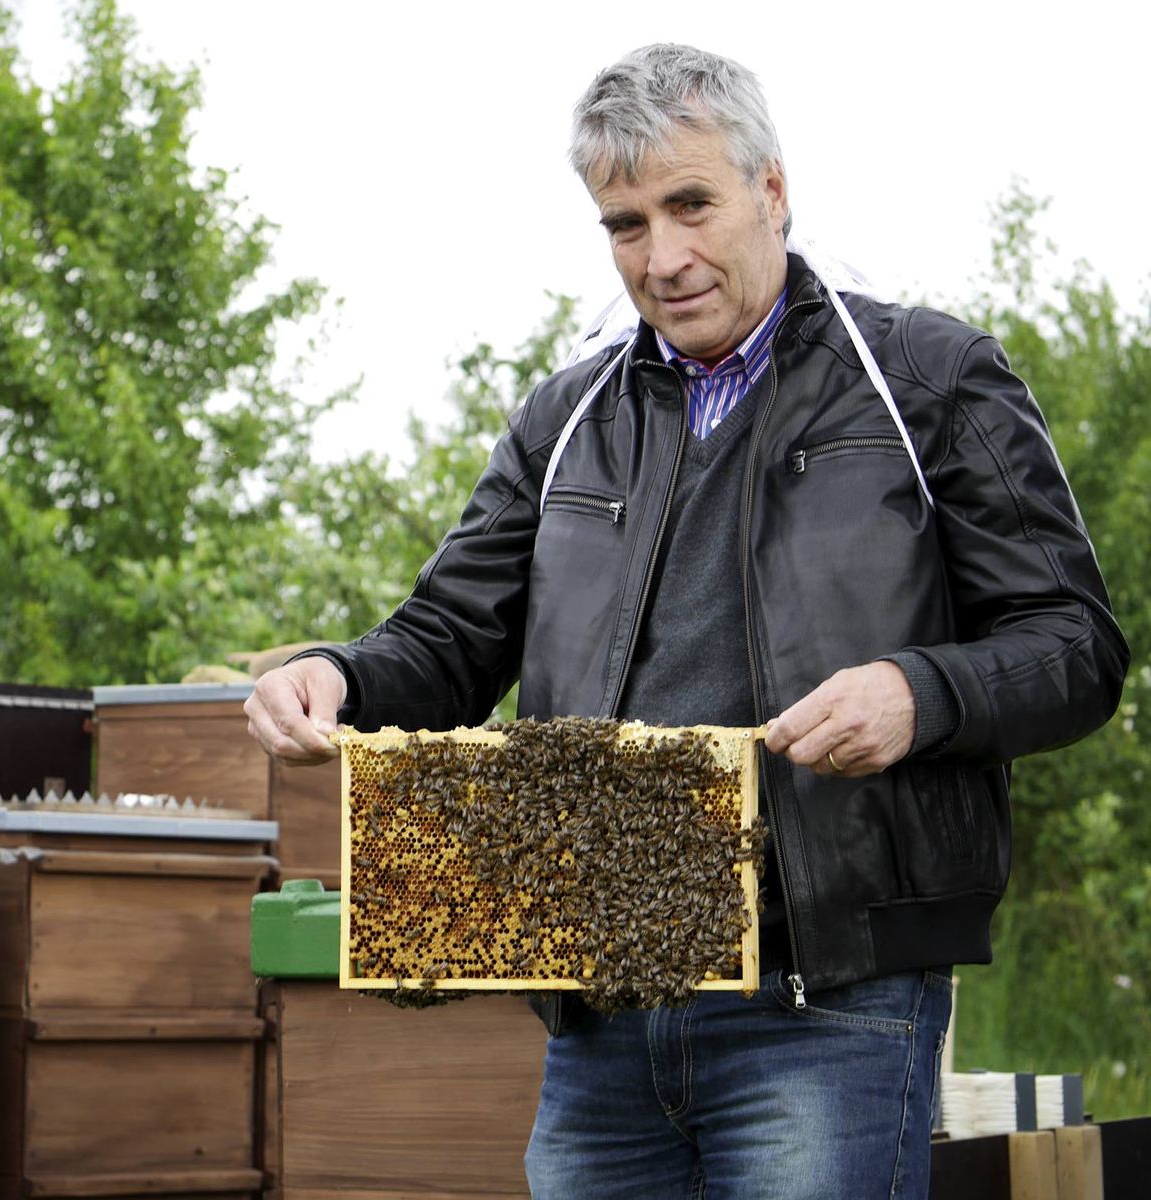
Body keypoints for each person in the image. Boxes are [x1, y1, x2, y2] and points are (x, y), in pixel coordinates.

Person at [244, 42, 1127, 1200]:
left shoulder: (930, 379)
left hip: (828, 1006)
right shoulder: (567, 416)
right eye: (625, 224)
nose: (662, 258)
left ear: (772, 189)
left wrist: (922, 695)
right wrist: (336, 678)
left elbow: (1076, 644)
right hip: (599, 1006)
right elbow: (449, 639)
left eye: (691, 205)